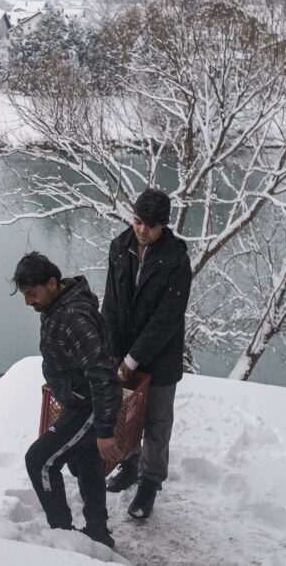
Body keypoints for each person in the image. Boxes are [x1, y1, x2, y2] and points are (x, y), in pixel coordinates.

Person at [15, 252, 123, 550]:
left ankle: (62, 536)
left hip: (89, 406)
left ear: (52, 283)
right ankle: (98, 533)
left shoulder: (72, 318)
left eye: (32, 293)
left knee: (40, 461)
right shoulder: (58, 306)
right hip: (79, 400)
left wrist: (104, 429)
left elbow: (102, 373)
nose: (28, 301)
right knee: (87, 464)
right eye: (24, 295)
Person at [101, 188, 191, 520]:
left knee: (157, 421)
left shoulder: (177, 260)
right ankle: (130, 463)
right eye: (138, 221)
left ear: (163, 225)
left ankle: (150, 482)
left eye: (150, 226)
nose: (141, 230)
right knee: (125, 414)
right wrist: (113, 352)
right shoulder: (119, 247)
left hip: (161, 356)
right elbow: (111, 303)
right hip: (123, 350)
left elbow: (168, 317)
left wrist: (133, 359)